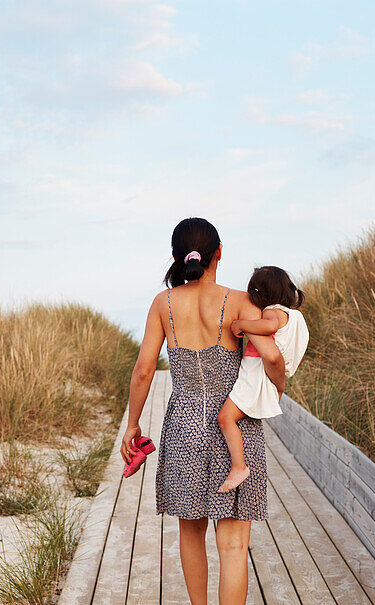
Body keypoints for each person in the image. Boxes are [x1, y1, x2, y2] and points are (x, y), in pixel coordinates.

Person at [121, 217, 286, 605]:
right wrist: (277, 389)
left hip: (183, 426)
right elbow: (273, 355)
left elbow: (144, 370)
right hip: (236, 425)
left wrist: (132, 425)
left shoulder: (163, 303)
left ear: (178, 258)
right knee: (232, 546)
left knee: (190, 534)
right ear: (219, 252)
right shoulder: (242, 302)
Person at [216, 266, 309, 493]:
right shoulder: (295, 316)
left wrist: (240, 325)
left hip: (257, 372)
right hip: (276, 376)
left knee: (225, 418)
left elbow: (269, 326)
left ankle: (239, 466)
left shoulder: (272, 311)